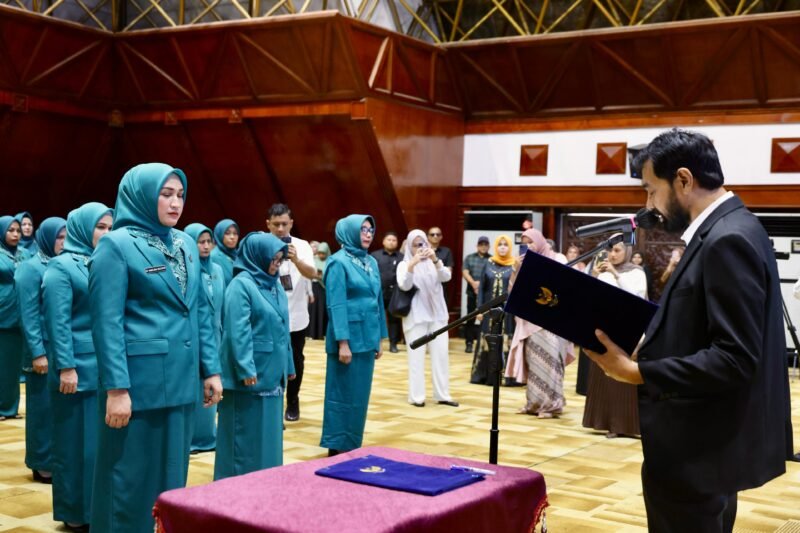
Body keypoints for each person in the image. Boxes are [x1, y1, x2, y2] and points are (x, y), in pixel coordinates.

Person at [586, 129, 791, 532]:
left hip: (698, 449)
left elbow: (735, 357)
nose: (649, 204)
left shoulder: (726, 239)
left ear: (683, 179)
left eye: (650, 190)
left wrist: (637, 372)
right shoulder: (731, 228)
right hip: (705, 445)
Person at [88, 163, 223, 533]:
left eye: (180, 194)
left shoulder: (184, 244)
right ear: (142, 196)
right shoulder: (115, 246)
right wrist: (117, 389)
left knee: (171, 481)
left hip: (180, 384)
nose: (175, 203)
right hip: (138, 386)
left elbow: (197, 310)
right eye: (166, 194)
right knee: (128, 482)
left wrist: (210, 369)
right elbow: (107, 323)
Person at [43, 202, 113, 532]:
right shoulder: (61, 268)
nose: (107, 233)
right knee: (75, 446)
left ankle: (95, 508)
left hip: (104, 366)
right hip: (76, 369)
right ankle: (75, 511)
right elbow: (57, 323)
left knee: (98, 447)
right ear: (83, 229)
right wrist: (66, 367)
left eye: (111, 227)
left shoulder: (104, 262)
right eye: (100, 227)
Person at [215, 232, 295, 479]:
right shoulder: (241, 285)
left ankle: (264, 485)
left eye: (280, 259)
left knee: (268, 437)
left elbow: (284, 328)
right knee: (244, 438)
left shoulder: (274, 285)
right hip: (250, 376)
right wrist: (245, 368)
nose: (277, 264)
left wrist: (289, 366)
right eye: (273, 258)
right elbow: (237, 331)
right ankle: (235, 492)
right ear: (257, 256)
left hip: (273, 372)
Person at [320, 215, 386, 455]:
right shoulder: (337, 262)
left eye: (371, 229)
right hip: (347, 340)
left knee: (359, 395)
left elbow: (377, 301)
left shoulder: (371, 262)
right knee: (341, 395)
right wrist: (342, 343)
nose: (368, 234)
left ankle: (352, 444)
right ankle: (336, 445)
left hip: (367, 337)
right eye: (363, 230)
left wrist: (380, 338)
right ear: (349, 232)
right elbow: (335, 305)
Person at [15, 216, 66, 484]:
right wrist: (37, 352)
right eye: (59, 237)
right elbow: (28, 314)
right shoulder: (30, 268)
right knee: (41, 409)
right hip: (42, 350)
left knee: (55, 409)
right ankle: (40, 461)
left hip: (59, 348)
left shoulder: (58, 264)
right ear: (46, 237)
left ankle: (53, 458)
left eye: (66, 236)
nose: (64, 242)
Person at [582, 239, 647, 438]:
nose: (612, 255)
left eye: (617, 250)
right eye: (610, 250)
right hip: (604, 331)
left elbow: (636, 297)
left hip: (628, 331)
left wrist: (616, 274)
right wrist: (593, 277)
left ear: (626, 252)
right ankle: (610, 423)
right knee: (606, 378)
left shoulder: (637, 272)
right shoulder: (603, 273)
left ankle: (631, 426)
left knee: (625, 377)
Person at [506, 228, 574, 418]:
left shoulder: (558, 258)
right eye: (524, 243)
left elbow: (567, 286)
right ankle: (533, 404)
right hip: (531, 323)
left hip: (552, 322)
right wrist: (515, 270)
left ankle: (552, 406)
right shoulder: (523, 263)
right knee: (535, 364)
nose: (528, 246)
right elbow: (513, 293)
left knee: (551, 364)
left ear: (540, 241)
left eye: (531, 242)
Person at [396, 229, 458, 408]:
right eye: (416, 245)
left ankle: (442, 395)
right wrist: (412, 265)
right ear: (409, 246)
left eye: (422, 244)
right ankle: (417, 397)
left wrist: (436, 260)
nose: (420, 248)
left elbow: (446, 276)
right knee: (416, 358)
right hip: (416, 317)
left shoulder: (434, 262)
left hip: (437, 316)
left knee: (441, 356)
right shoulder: (404, 264)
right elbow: (405, 285)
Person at [266, 203, 316, 422]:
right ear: (267, 224)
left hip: (296, 315)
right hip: (269, 315)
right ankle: (272, 401)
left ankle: (293, 401)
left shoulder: (302, 245)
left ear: (291, 224)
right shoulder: (261, 243)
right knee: (270, 360)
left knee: (296, 360)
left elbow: (313, 274)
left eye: (284, 224)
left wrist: (295, 259)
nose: (280, 229)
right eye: (275, 224)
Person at [184, 223, 226, 454]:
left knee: (210, 384)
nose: (206, 245)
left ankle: (207, 436)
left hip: (215, 337)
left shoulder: (217, 270)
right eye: (201, 241)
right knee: (194, 386)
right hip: (193, 338)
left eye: (209, 241)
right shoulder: (186, 270)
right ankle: (192, 439)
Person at [470, 234, 515, 385]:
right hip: (488, 312)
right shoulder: (488, 264)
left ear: (509, 247)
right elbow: (482, 288)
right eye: (500, 244)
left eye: (505, 245)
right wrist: (480, 310)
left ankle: (505, 378)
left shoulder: (514, 265)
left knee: (504, 341)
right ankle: (483, 376)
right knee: (487, 341)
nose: (503, 247)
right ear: (496, 247)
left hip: (507, 313)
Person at [0, 216, 29, 421]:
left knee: (12, 366)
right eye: (11, 230)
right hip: (2, 312)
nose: (15, 234)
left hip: (20, 314)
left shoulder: (25, 253)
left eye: (18, 231)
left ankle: (10, 408)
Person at [371, 232, 402, 352]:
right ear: (383, 241)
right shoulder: (375, 255)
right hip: (378, 292)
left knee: (394, 319)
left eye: (394, 240)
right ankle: (375, 343)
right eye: (389, 239)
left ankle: (393, 344)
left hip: (395, 293)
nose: (391, 242)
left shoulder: (401, 257)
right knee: (375, 317)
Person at [461, 236, 490, 354]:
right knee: (470, 318)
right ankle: (469, 343)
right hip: (472, 293)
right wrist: (473, 283)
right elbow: (465, 271)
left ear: (488, 246)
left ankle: (483, 342)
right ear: (477, 246)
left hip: (486, 294)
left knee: (486, 318)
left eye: (485, 244)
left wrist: (481, 284)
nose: (483, 246)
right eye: (481, 244)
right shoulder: (470, 257)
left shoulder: (492, 259)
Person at [308, 242, 330, 340]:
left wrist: (322, 275)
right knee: (313, 310)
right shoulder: (313, 260)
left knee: (322, 310)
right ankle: (311, 333)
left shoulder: (330, 261)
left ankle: (322, 333)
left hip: (324, 289)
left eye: (323, 253)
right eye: (320, 253)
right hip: (314, 286)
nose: (321, 255)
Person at [210, 219, 239, 285]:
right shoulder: (213, 257)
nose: (232, 237)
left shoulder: (238, 255)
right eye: (227, 233)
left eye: (235, 233)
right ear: (219, 234)